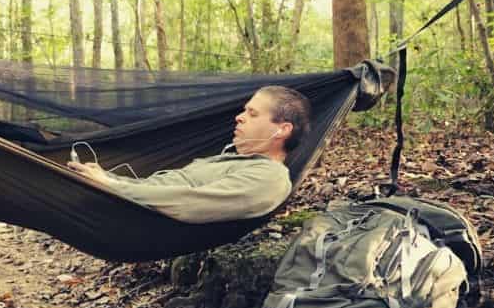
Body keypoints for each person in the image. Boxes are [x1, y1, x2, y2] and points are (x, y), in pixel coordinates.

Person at [67, 85, 311, 223]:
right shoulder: (237, 160)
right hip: (121, 202)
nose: (239, 117)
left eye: (252, 113)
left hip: (131, 219)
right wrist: (108, 179)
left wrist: (110, 185)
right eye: (243, 111)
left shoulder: (270, 178)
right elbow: (159, 190)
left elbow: (188, 203)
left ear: (282, 130)